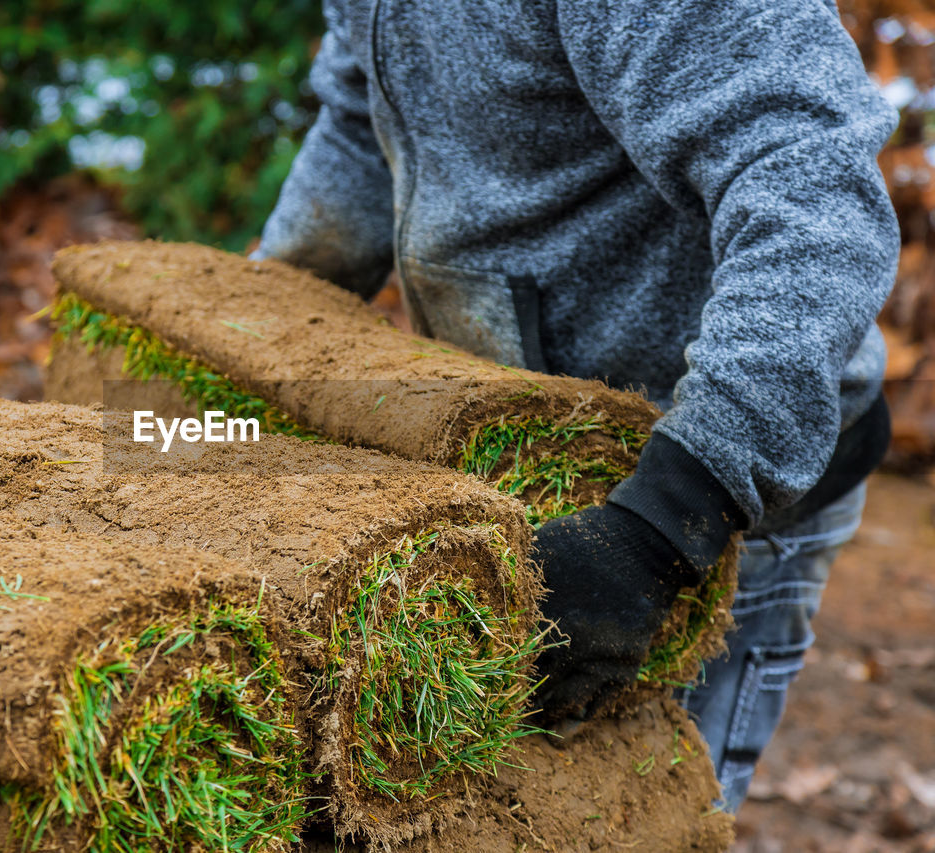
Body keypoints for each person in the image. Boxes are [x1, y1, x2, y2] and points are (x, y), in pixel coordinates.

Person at [253, 0, 897, 812]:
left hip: (702, 490)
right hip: (531, 457)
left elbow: (813, 188)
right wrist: (261, 312)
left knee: (630, 820)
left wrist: (666, 521)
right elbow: (364, 117)